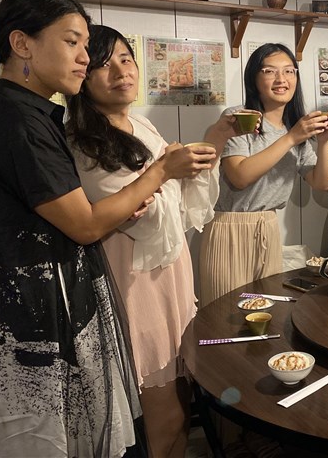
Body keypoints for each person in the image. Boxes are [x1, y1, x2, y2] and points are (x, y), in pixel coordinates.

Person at [0, 0, 210, 457]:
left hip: (59, 297)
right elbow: (85, 224)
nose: (84, 59)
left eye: (89, 48)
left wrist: (136, 194)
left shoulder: (35, 113)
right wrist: (159, 173)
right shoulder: (17, 119)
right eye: (73, 43)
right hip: (34, 309)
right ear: (22, 44)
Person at [66, 24, 238, 457]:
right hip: (134, 282)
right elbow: (141, 220)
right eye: (103, 65)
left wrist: (200, 149)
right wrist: (164, 171)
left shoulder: (141, 125)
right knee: (163, 417)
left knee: (179, 401)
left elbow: (173, 206)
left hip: (169, 276)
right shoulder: (84, 143)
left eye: (126, 59)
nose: (120, 71)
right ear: (82, 78)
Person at [199, 43, 328, 304]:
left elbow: (321, 182)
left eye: (289, 71)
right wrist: (291, 138)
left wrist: (324, 142)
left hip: (269, 228)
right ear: (254, 77)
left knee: (264, 311)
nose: (281, 79)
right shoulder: (240, 118)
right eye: (270, 71)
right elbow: (239, 177)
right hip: (231, 227)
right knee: (224, 313)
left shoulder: (296, 128)